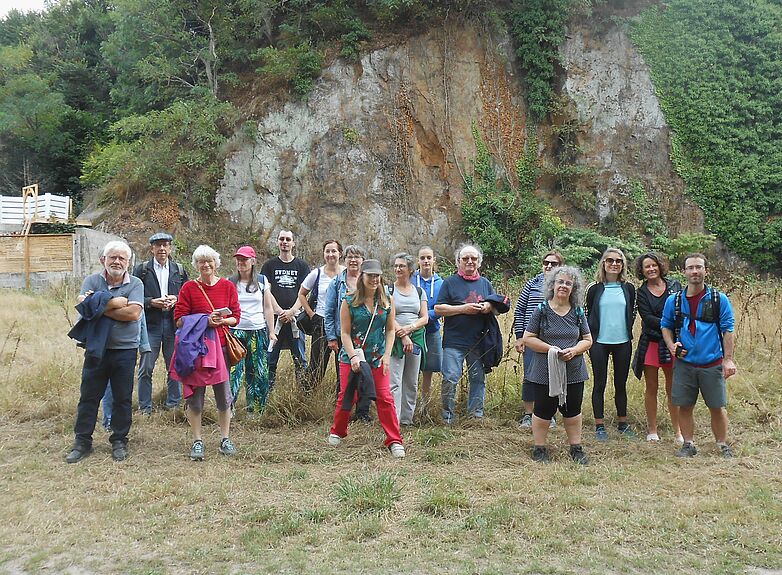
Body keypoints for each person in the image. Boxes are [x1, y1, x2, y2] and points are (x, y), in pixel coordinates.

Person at [66, 241, 144, 463]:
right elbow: (84, 308)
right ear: (103, 260)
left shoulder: (136, 283)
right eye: (113, 257)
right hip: (95, 348)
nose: (117, 261)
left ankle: (119, 440)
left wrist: (98, 304)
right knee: (89, 396)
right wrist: (116, 302)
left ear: (128, 263)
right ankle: (82, 442)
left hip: (125, 350)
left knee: (122, 398)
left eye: (122, 258)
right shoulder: (92, 280)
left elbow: (133, 314)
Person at [661, 253, 736, 458]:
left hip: (712, 362)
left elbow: (728, 329)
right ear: (684, 272)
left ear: (706, 271)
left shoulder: (718, 299)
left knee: (716, 406)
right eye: (691, 268)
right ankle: (688, 444)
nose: (695, 271)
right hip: (685, 363)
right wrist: (671, 345)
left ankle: (721, 444)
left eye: (699, 267)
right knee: (684, 406)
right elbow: (665, 326)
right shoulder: (674, 301)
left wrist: (728, 359)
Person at [328, 259, 405, 458]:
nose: (374, 279)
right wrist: (353, 355)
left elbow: (390, 330)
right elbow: (344, 333)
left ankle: (394, 440)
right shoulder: (349, 300)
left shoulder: (386, 300)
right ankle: (338, 431)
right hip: (351, 356)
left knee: (385, 397)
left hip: (377, 356)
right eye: (370, 275)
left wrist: (387, 355)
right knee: (347, 395)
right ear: (362, 276)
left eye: (377, 276)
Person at [173, 245, 240, 461]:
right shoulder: (189, 288)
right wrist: (204, 320)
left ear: (216, 263)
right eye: (201, 261)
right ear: (196, 265)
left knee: (224, 396)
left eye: (209, 261)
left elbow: (236, 316)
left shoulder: (228, 286)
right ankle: (197, 441)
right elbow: (179, 318)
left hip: (220, 348)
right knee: (196, 399)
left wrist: (222, 320)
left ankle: (225, 438)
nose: (206, 265)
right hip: (197, 350)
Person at [522, 266, 593, 464]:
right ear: (552, 285)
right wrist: (551, 350)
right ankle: (539, 448)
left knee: (573, 410)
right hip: (544, 370)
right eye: (560, 282)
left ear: (574, 288)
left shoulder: (578, 312)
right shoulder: (541, 310)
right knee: (543, 410)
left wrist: (575, 350)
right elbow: (528, 338)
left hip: (574, 371)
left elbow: (587, 339)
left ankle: (576, 448)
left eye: (568, 283)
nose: (563, 286)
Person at [434, 244, 497, 424]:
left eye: (474, 259)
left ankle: (475, 416)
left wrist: (488, 307)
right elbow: (439, 308)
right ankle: (447, 417)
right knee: (450, 378)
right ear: (458, 262)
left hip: (479, 341)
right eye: (465, 258)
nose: (470, 262)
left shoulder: (485, 283)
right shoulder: (450, 282)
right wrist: (463, 309)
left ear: (479, 262)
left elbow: (495, 305)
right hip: (454, 341)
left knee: (478, 379)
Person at [133, 231, 189, 413]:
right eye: (158, 245)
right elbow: (132, 296)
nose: (162, 249)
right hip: (150, 325)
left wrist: (176, 299)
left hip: (173, 324)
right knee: (146, 367)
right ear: (152, 248)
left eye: (165, 245)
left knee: (174, 366)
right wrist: (151, 302)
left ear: (170, 248)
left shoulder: (179, 270)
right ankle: (145, 408)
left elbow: (188, 295)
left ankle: (173, 406)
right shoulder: (141, 270)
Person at [585, 248, 637, 440]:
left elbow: (633, 311)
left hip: (622, 342)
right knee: (599, 383)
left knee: (621, 384)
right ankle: (599, 425)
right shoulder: (594, 288)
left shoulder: (629, 288)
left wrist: (625, 329)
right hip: (599, 342)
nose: (614, 264)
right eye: (610, 260)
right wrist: (588, 338)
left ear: (623, 265)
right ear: (603, 263)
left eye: (618, 261)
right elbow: (586, 313)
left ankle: (622, 422)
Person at [632, 252, 682, 443]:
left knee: (673, 388)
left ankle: (678, 431)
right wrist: (668, 323)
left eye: (654, 265)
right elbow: (647, 318)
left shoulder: (674, 286)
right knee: (651, 387)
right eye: (647, 267)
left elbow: (681, 310)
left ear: (660, 266)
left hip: (673, 345)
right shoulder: (641, 292)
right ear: (642, 271)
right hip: (651, 343)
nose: (651, 269)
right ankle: (652, 430)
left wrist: (671, 328)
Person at [513, 250, 564, 428]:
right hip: (531, 340)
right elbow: (519, 310)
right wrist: (520, 337)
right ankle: (528, 415)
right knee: (530, 376)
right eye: (546, 262)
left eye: (553, 263)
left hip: (555, 340)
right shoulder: (532, 284)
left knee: (553, 377)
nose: (548, 266)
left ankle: (549, 415)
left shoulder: (564, 286)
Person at [228, 246, 277, 413]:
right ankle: (229, 409)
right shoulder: (229, 282)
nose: (241, 262)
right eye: (239, 259)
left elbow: (268, 308)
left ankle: (256, 410)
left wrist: (271, 331)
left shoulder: (262, 281)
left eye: (245, 259)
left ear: (253, 261)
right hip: (236, 332)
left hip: (257, 331)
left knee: (258, 372)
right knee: (235, 372)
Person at [260, 230, 310, 390]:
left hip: (296, 319)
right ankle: (267, 395)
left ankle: (302, 395)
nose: (285, 242)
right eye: (281, 239)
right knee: (270, 358)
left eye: (288, 239)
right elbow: (266, 291)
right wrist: (280, 311)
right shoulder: (269, 266)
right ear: (277, 242)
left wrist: (292, 311)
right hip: (275, 319)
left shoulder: (302, 266)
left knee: (300, 359)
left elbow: (305, 292)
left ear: (293, 243)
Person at [299, 240, 345, 390]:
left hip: (344, 324)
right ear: (324, 254)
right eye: (327, 251)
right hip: (321, 323)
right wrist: (311, 314)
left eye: (334, 251)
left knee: (343, 367)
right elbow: (301, 294)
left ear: (340, 253)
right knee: (316, 367)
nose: (330, 254)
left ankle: (341, 402)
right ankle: (306, 399)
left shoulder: (346, 273)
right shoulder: (316, 273)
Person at [389, 253, 428, 425]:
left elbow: (424, 317)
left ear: (410, 270)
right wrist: (403, 335)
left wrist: (410, 329)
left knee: (411, 381)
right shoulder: (388, 290)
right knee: (394, 382)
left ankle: (407, 420)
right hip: (394, 339)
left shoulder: (419, 292)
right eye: (396, 266)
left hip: (416, 339)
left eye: (402, 266)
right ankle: (393, 420)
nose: (398, 269)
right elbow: (387, 316)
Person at [411, 246, 443, 417]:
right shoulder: (411, 279)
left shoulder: (440, 283)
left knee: (428, 370)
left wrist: (425, 316)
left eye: (428, 258)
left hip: (431, 330)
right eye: (422, 258)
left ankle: (425, 406)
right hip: (412, 332)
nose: (425, 261)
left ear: (434, 260)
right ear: (418, 260)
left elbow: (441, 307)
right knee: (411, 370)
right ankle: (411, 404)